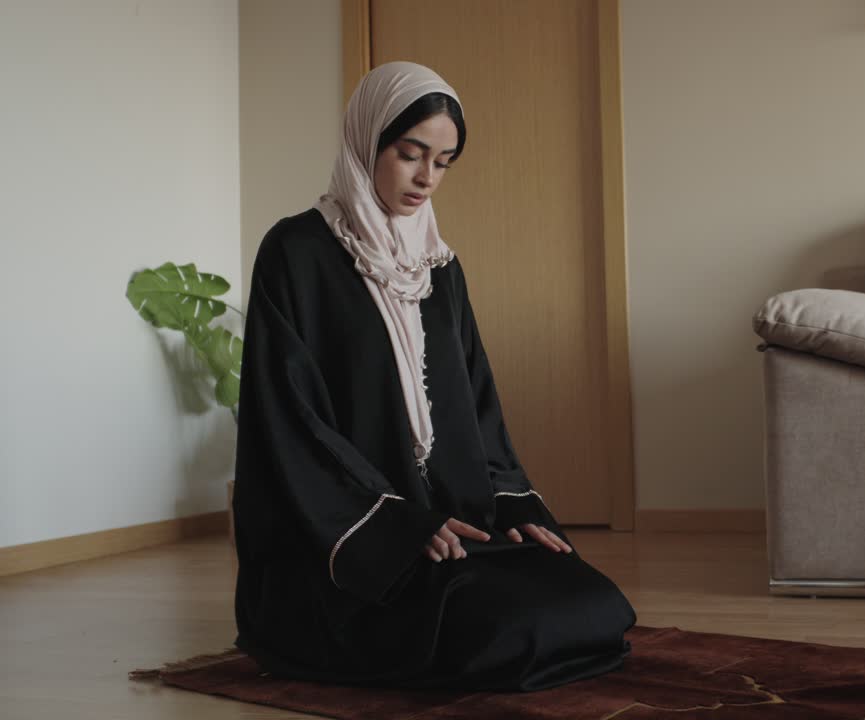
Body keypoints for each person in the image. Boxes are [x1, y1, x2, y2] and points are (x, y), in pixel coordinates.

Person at [231, 61, 636, 692]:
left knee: (593, 601)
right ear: (368, 142)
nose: (426, 178)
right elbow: (288, 415)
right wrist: (394, 524)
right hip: (356, 543)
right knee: (509, 625)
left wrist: (509, 497)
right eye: (409, 154)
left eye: (443, 161)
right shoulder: (295, 252)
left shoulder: (438, 266)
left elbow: (476, 397)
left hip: (453, 523)